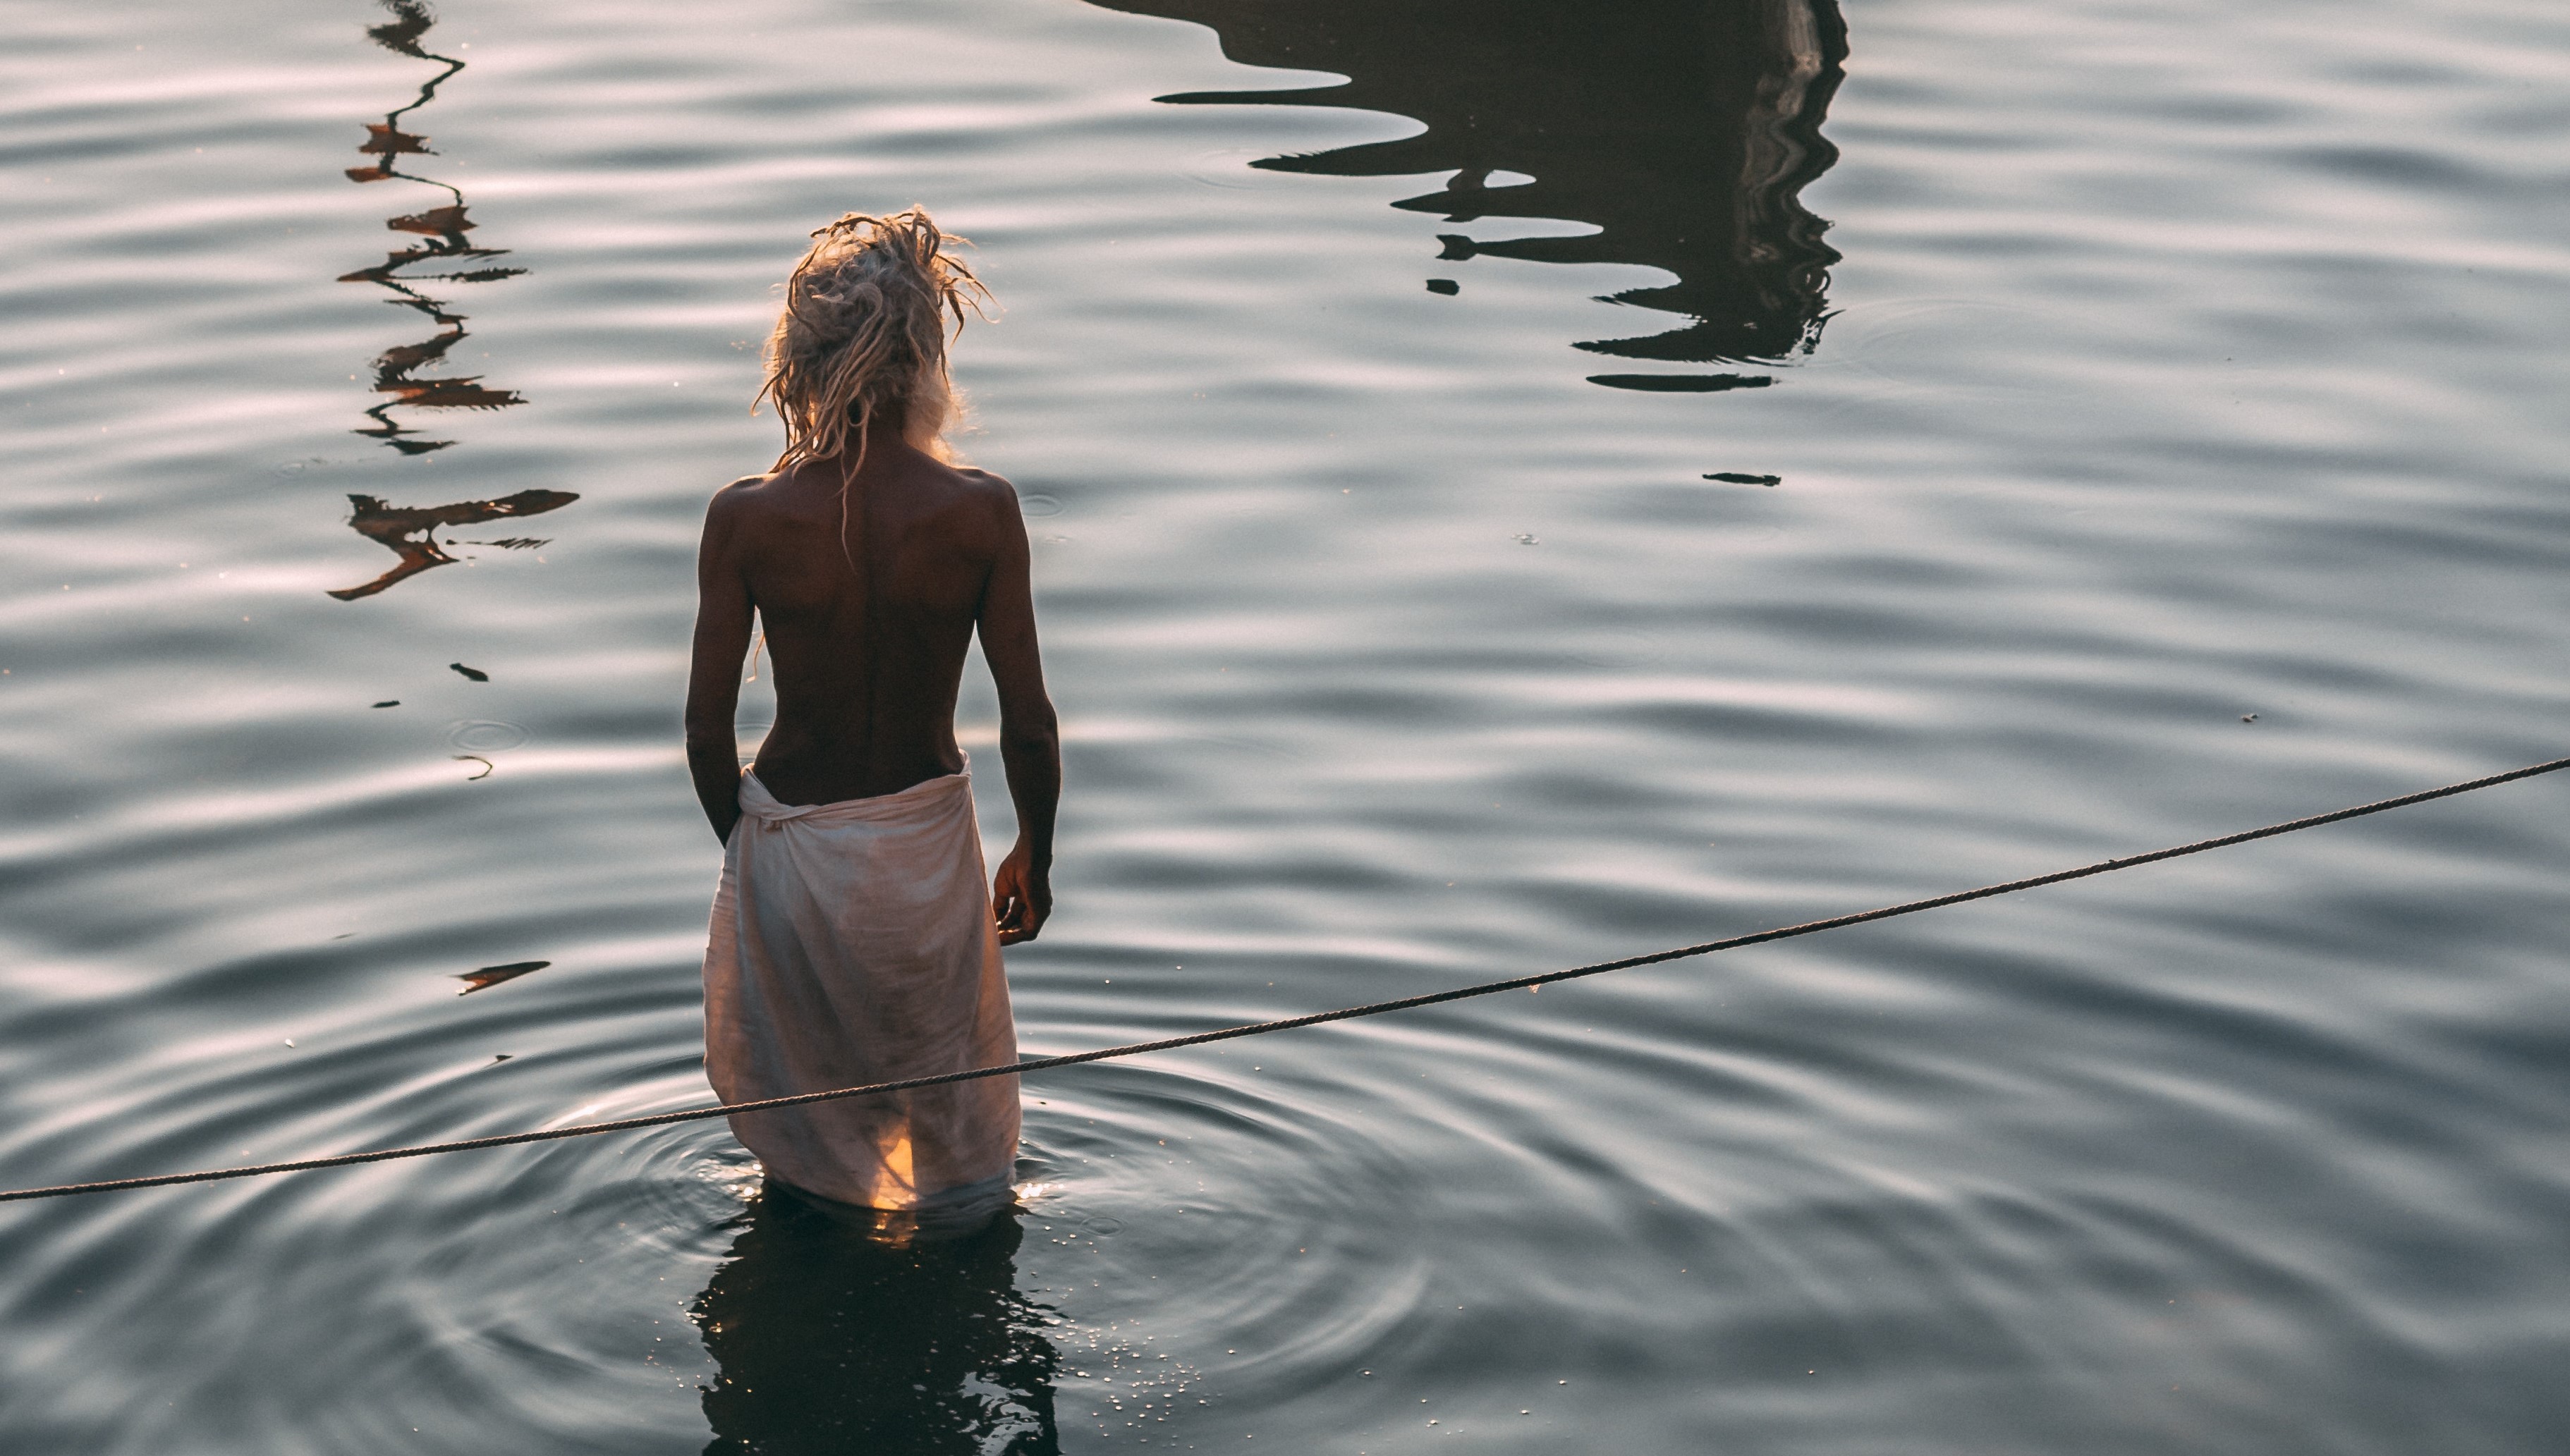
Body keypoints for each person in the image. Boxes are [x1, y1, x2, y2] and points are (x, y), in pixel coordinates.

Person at [686, 209, 1059, 1216]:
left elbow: (703, 731)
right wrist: (1036, 848)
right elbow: (1028, 721)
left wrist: (760, 844)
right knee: (946, 1136)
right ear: (927, 356)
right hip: (925, 853)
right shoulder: (982, 512)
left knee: (806, 1140)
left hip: (791, 847)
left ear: (800, 360)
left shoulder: (746, 520)